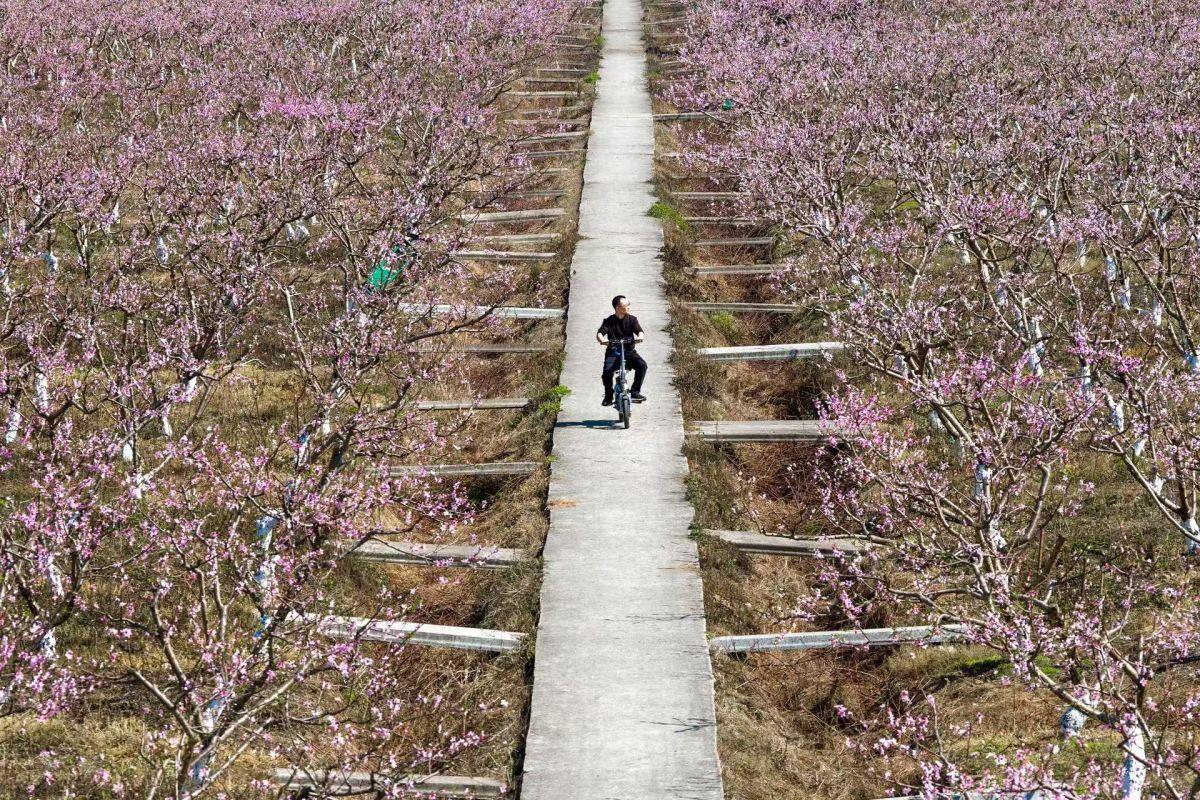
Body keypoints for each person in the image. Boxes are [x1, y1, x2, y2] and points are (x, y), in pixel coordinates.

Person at [596, 295, 647, 406]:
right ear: (617, 307)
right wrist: (603, 340)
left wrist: (640, 337)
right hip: (613, 353)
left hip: (629, 352)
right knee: (606, 373)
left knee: (642, 365)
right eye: (626, 305)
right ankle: (608, 396)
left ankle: (635, 392)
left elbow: (639, 331)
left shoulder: (632, 319)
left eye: (629, 305)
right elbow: (600, 333)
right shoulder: (609, 321)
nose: (629, 307)